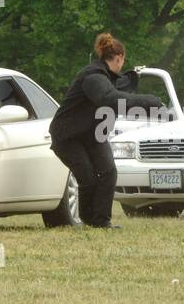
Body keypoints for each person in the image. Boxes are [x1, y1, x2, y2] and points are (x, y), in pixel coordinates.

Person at [49, 32, 163, 228]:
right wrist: (148, 102)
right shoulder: (92, 76)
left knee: (108, 172)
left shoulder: (105, 77)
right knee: (88, 177)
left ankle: (101, 221)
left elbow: (119, 86)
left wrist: (132, 77)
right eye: (122, 61)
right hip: (67, 136)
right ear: (119, 58)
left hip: (91, 134)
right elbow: (109, 98)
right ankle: (90, 221)